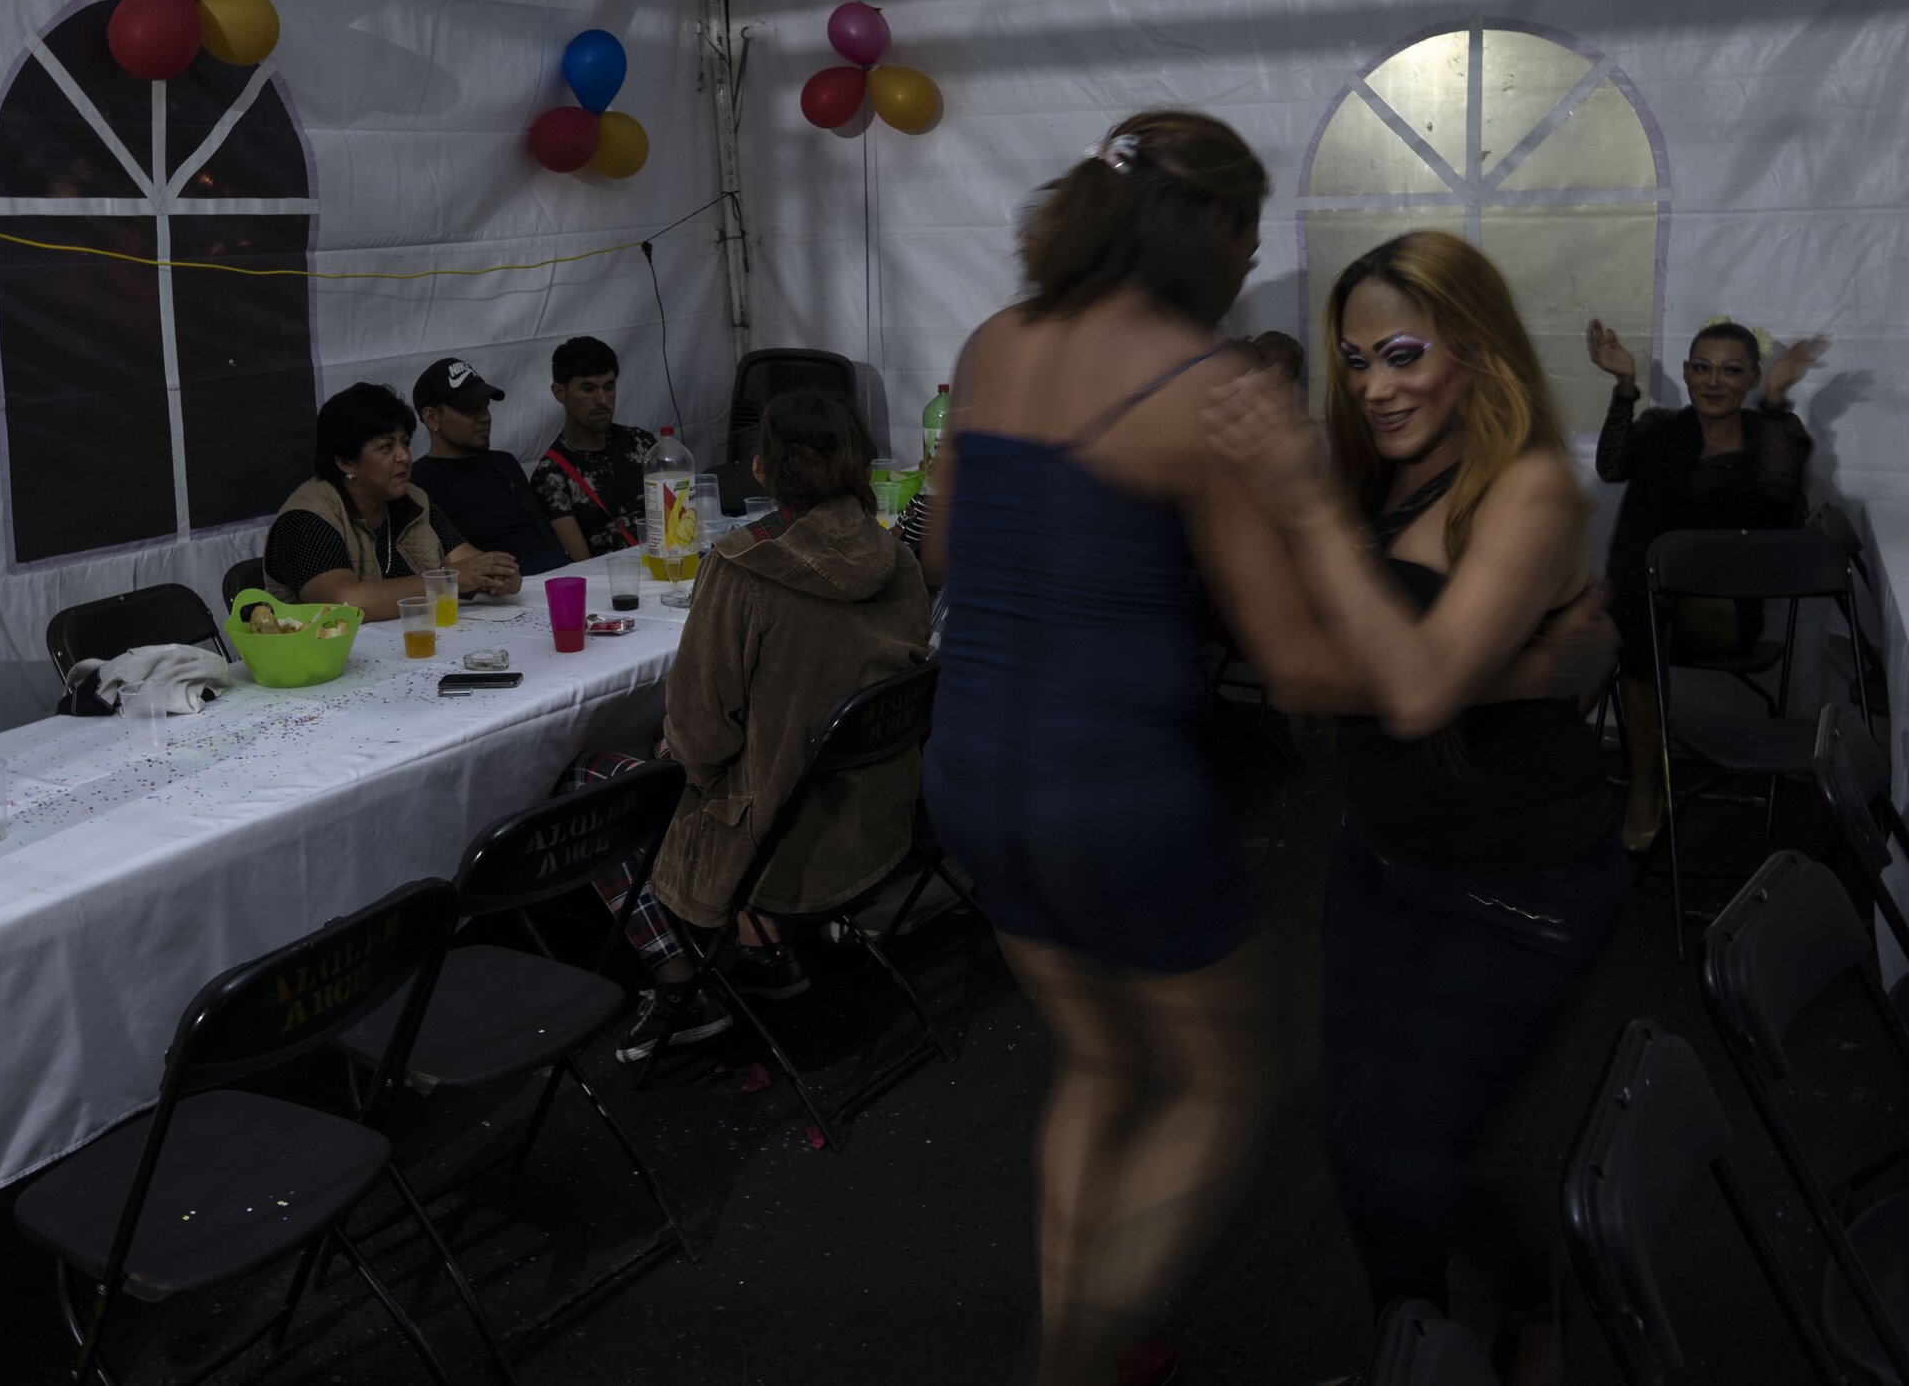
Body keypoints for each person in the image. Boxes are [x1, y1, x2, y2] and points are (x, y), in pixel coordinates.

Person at [921, 111, 1365, 1386]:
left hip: (971, 769)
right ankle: (1069, 1358)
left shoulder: (991, 340)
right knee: (1226, 1079)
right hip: (1111, 790)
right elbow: (1294, 666)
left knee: (1104, 1060)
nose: (1253, 258)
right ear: (1210, 230)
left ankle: (1078, 1342)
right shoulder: (1205, 383)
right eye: (1252, 229)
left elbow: (942, 550)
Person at [1206, 231, 1630, 1386]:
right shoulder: (1371, 478)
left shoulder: (1532, 483)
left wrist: (1329, 536)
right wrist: (1517, 665)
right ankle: (1417, 1345)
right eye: (1353, 362)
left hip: (1525, 876)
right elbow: (1299, 671)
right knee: (1361, 1133)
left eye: (1402, 353)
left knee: (1429, 1132)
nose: (1376, 386)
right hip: (1383, 854)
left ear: (1477, 349)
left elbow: (1414, 683)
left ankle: (1528, 1308)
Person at [626, 390, 933, 1059]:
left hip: (780, 844)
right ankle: (761, 951)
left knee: (603, 781)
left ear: (761, 470)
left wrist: (686, 764)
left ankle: (683, 983)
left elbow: (700, 739)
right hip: (876, 821)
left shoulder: (743, 569)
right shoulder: (897, 559)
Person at [1586, 316, 1826, 850]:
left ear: (1750, 379)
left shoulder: (1768, 437)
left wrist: (1777, 400)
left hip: (1723, 614)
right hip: (1643, 608)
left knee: (1621, 615)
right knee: (1629, 614)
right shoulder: (1658, 430)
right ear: (1687, 373)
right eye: (1701, 368)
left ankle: (1637, 788)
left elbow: (1781, 491)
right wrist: (1625, 387)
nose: (1713, 381)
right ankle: (1565, 768)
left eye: (1730, 370)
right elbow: (1610, 466)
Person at [261, 381, 521, 620]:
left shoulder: (412, 500)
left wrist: (499, 575)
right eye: (386, 447)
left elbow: (472, 563)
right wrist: (447, 581)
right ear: (345, 461)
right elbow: (343, 603)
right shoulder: (305, 518)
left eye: (405, 444)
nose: (404, 457)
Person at [407, 357, 574, 577]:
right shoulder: (418, 481)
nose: (485, 417)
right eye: (470, 409)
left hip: (557, 572)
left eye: (485, 406)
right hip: (493, 588)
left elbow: (545, 535)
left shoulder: (504, 462)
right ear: (432, 418)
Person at [531, 335, 660, 561]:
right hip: (613, 584)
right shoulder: (552, 475)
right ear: (559, 393)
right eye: (588, 389)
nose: (602, 400)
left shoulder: (641, 443)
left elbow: (681, 514)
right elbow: (581, 565)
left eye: (609, 387)